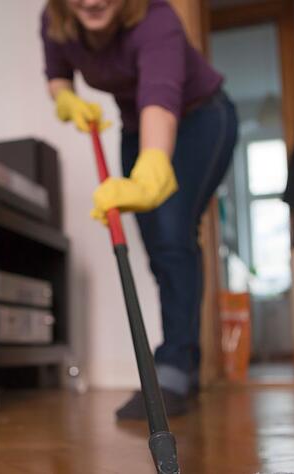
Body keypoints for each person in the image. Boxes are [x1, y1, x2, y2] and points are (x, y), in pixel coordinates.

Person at [41, 0, 238, 418]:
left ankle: (172, 371)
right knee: (160, 245)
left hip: (199, 118)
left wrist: (152, 167)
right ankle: (185, 363)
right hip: (135, 127)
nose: (91, 1)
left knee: (171, 234)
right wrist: (67, 102)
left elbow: (160, 100)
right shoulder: (56, 20)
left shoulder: (157, 20)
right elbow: (57, 75)